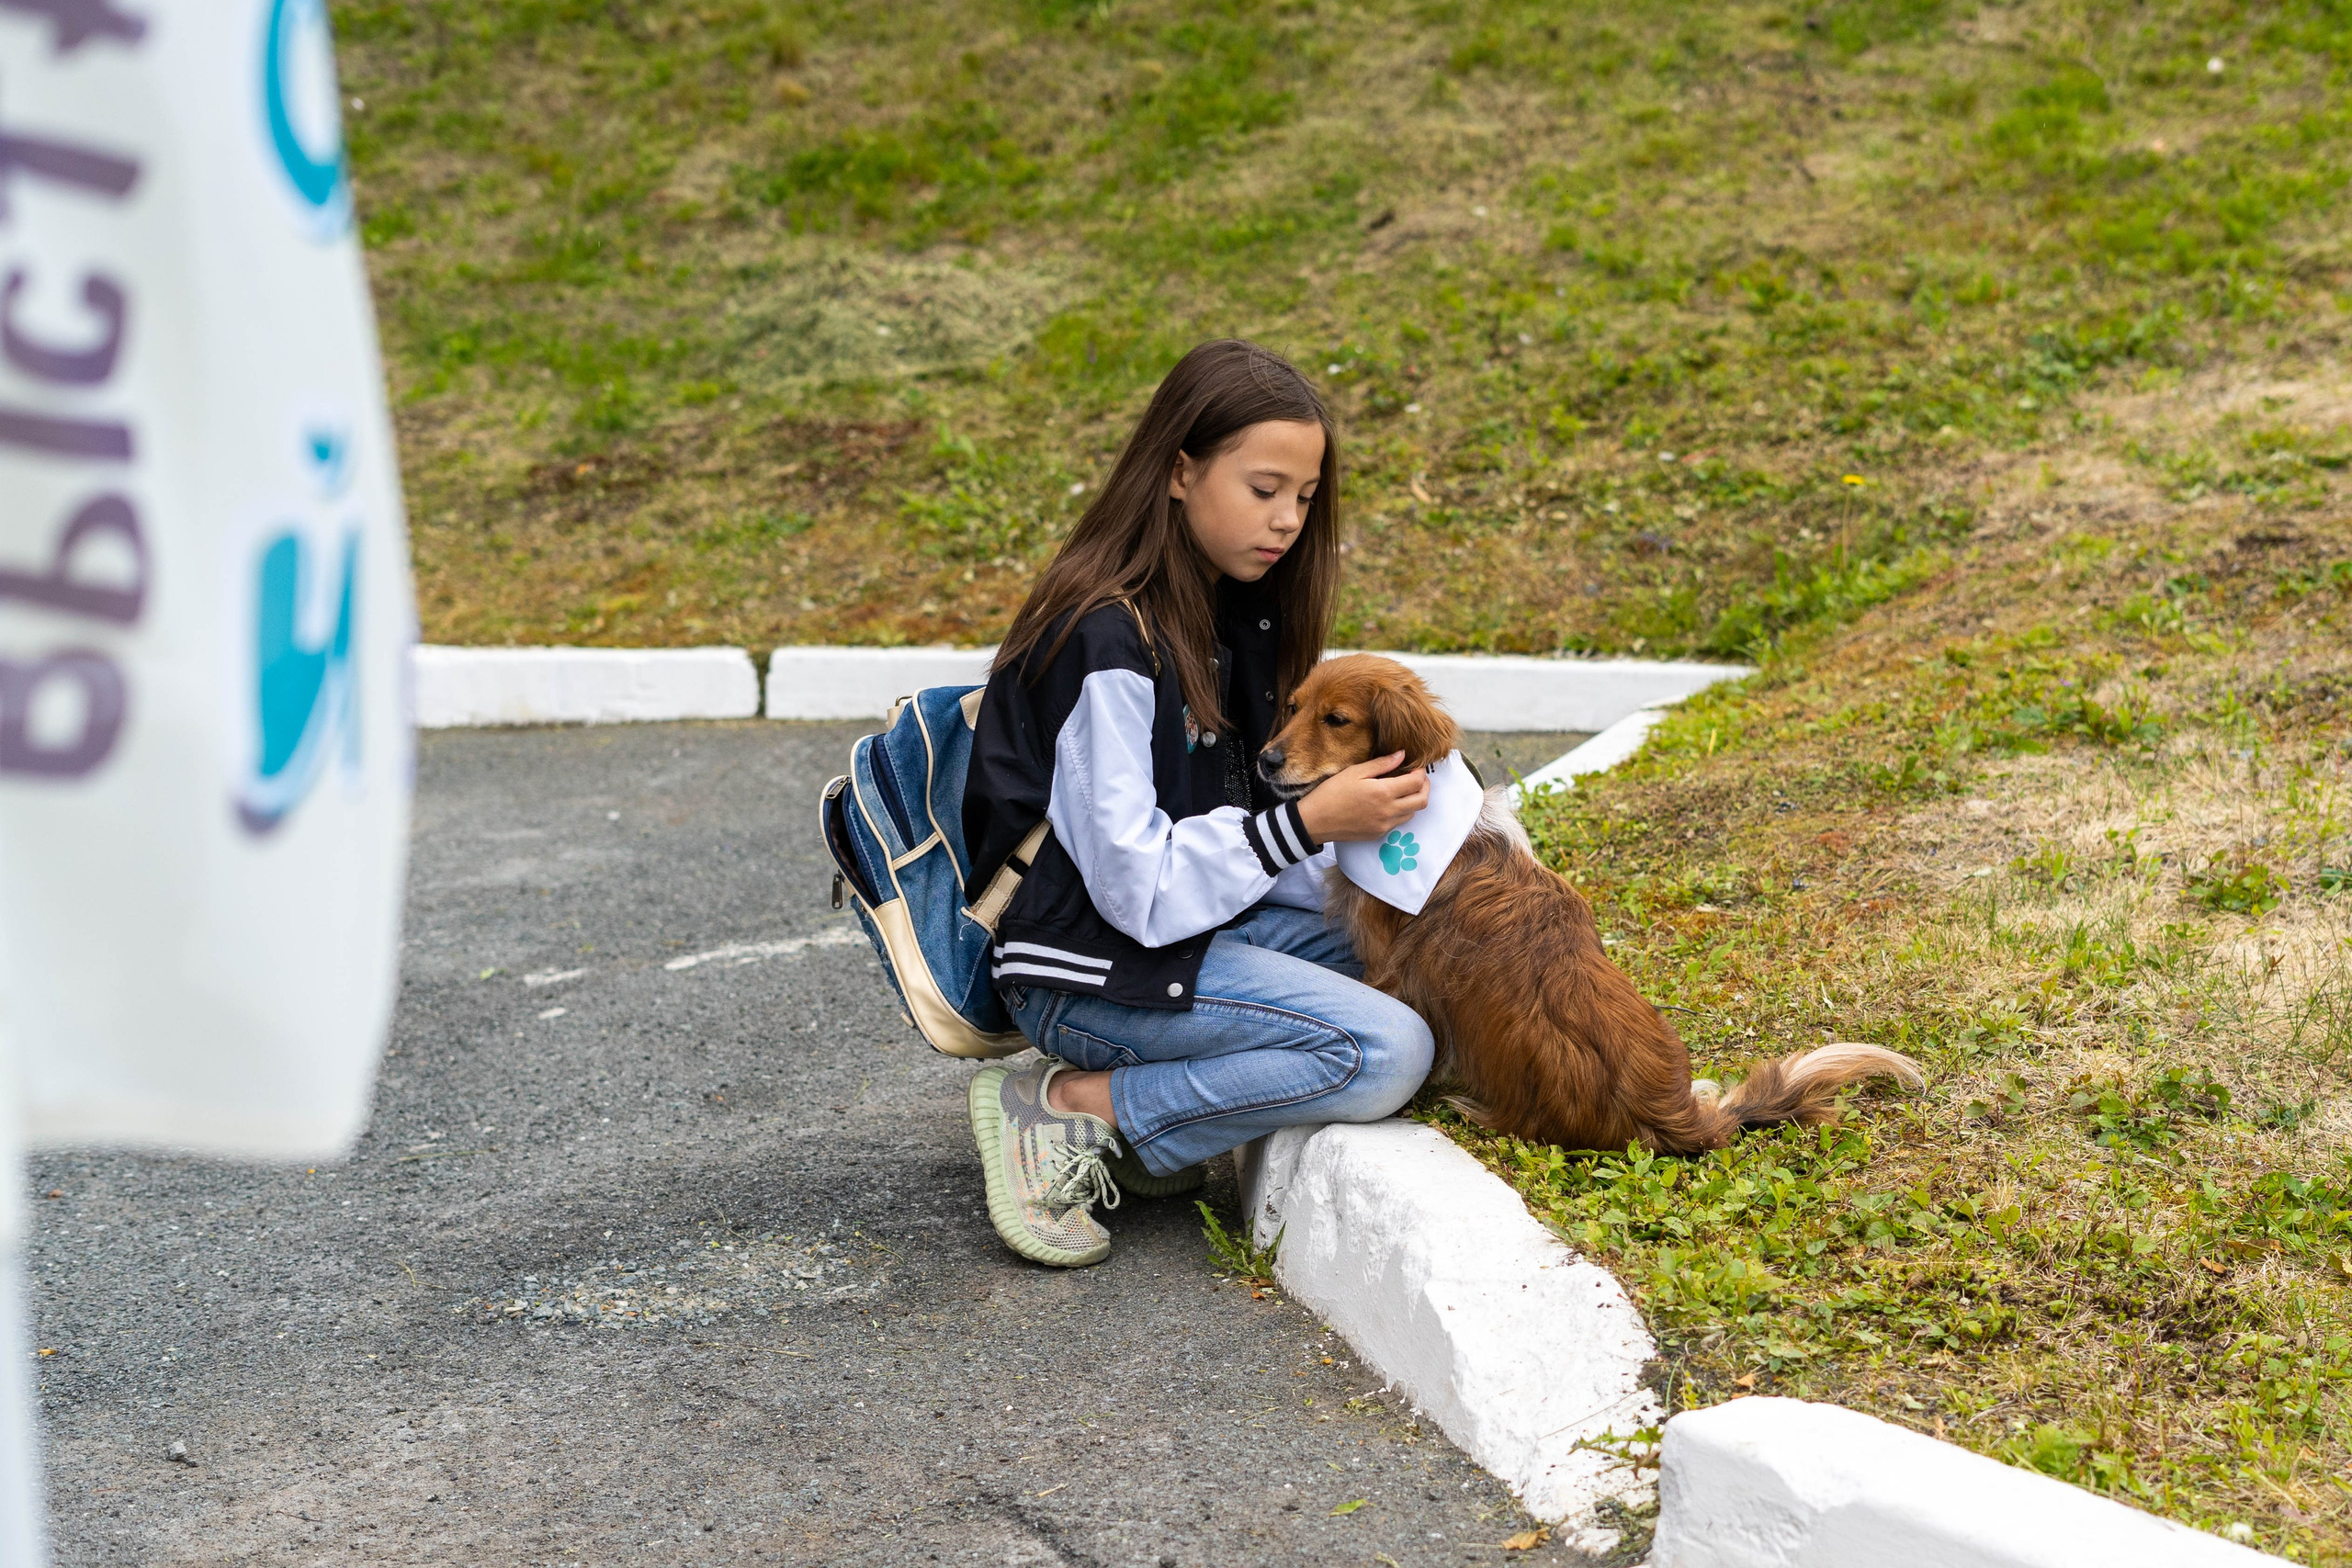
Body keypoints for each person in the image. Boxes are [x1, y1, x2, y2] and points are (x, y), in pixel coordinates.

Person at [962, 338, 1435, 1269]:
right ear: (1180, 471)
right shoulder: (1103, 639)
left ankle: (1153, 1116)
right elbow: (1137, 892)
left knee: (1437, 955)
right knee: (1386, 1052)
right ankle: (1069, 1105)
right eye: (1264, 490)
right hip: (1091, 967)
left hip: (1210, 933)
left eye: (1304, 498)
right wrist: (1305, 825)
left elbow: (1251, 840)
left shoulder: (1237, 613)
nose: (1288, 520)